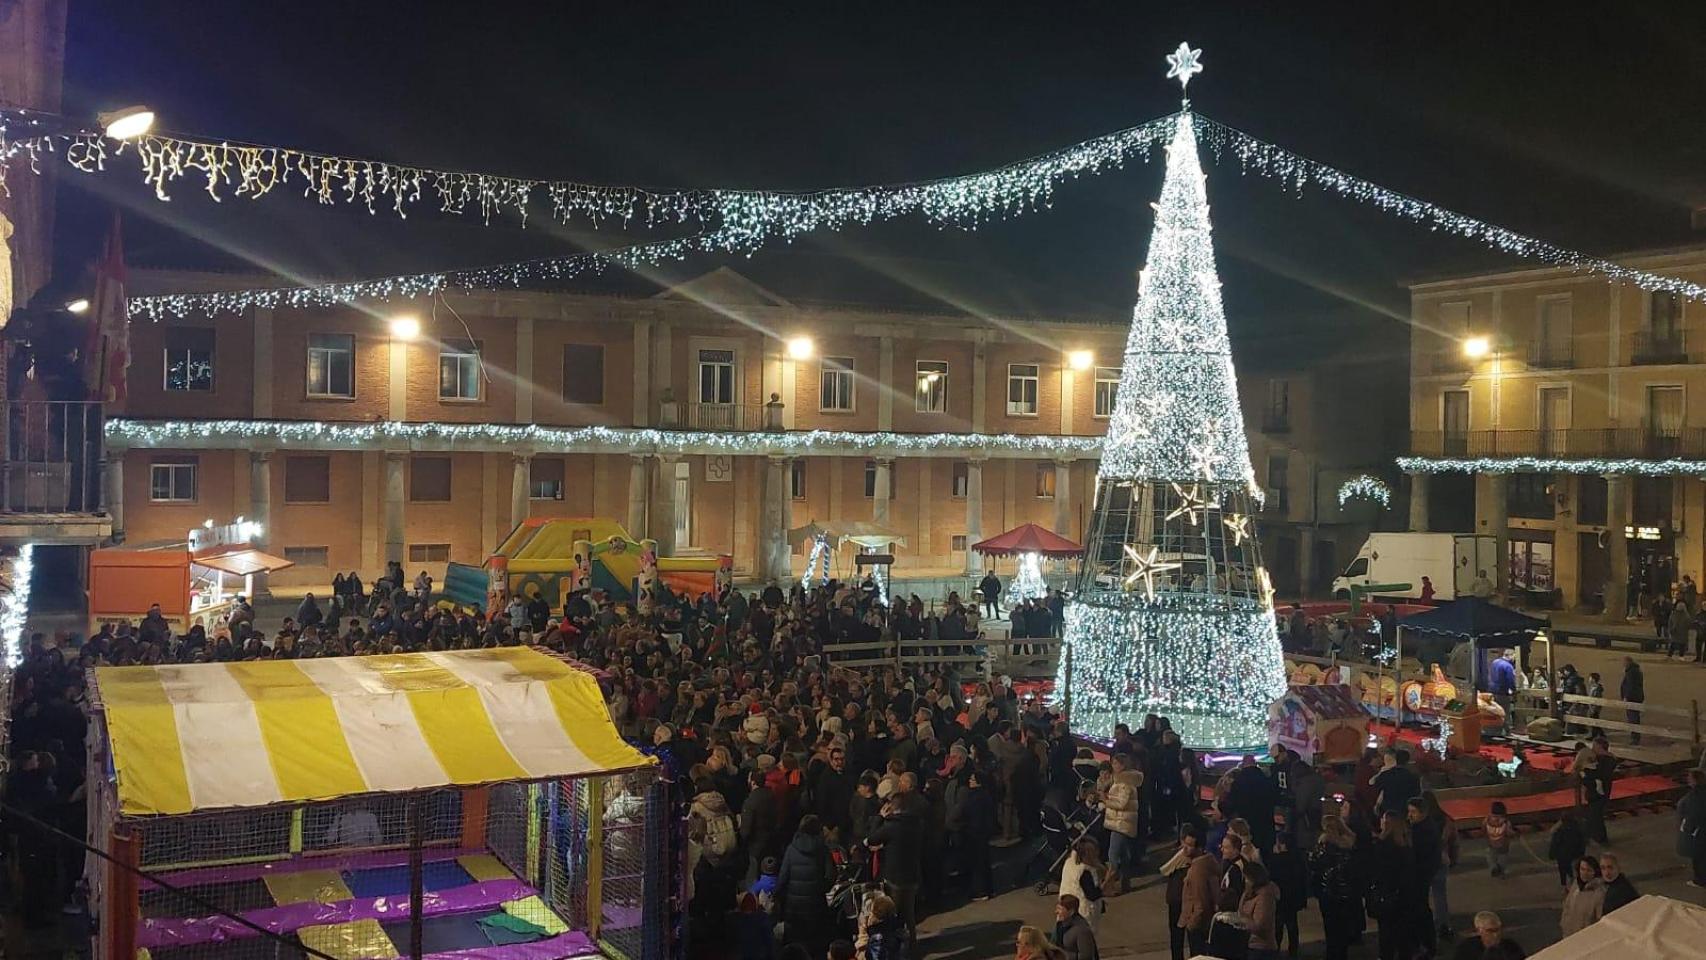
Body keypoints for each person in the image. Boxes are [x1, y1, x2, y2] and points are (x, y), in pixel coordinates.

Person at [777, 815, 832, 955]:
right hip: (815, 904)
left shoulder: (791, 848)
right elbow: (831, 875)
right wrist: (821, 888)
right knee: (814, 945)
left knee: (795, 946)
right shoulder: (822, 849)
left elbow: (783, 877)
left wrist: (780, 896)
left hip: (794, 907)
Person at [1309, 815, 1360, 960]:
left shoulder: (1326, 846)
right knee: (1342, 927)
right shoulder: (1350, 845)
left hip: (1329, 890)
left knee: (1331, 927)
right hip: (1345, 892)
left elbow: (1315, 864)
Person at [1370, 811, 1420, 960]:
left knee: (1386, 934)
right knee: (1403, 934)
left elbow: (1377, 872)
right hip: (1404, 896)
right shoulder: (1406, 847)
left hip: (1387, 896)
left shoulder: (1381, 846)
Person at [1177, 823, 1223, 959]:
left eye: (1190, 845)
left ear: (1200, 848)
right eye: (1185, 844)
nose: (1185, 848)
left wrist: (1191, 924)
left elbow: (1200, 902)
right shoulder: (1208, 861)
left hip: (1198, 926)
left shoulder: (1197, 870)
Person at [1100, 752, 1143, 894]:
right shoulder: (1121, 780)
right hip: (1122, 822)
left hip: (1120, 823)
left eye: (1116, 763)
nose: (1113, 766)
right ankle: (1125, 883)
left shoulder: (1125, 783)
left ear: (1123, 765)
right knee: (1124, 855)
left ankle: (1109, 885)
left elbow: (1121, 803)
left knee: (1113, 855)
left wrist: (1105, 800)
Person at [1267, 831, 1306, 959]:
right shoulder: (1297, 858)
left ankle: (1276, 949)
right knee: (1292, 924)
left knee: (1278, 925)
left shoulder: (1276, 860)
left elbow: (1271, 876)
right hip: (1293, 897)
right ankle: (1293, 950)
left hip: (1281, 898)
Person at [1057, 837, 1105, 935]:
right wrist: (1107, 881)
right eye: (1094, 852)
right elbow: (1092, 895)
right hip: (1083, 913)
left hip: (1065, 907)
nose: (1097, 855)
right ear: (1087, 854)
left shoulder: (1069, 862)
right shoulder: (1084, 872)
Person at [1238, 859, 1281, 960]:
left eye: (1246, 878)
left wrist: (1242, 922)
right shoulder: (1249, 893)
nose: (1244, 881)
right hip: (1249, 944)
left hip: (1261, 948)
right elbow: (1240, 910)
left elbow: (1260, 925)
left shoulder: (1265, 896)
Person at [1560, 855, 1606, 937]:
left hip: (1585, 937)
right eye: (1582, 869)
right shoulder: (1576, 885)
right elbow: (1567, 906)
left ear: (1595, 872)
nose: (1585, 873)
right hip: (1568, 935)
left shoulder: (1599, 893)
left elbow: (1599, 919)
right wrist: (1564, 924)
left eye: (1589, 870)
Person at [1452, 911, 1526, 960]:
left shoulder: (1511, 947)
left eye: (1498, 930)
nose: (1496, 934)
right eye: (1490, 931)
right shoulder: (1467, 950)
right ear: (1479, 930)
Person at [1583, 737, 1616, 845]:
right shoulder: (1601, 759)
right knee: (1592, 815)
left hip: (1599, 793)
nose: (1592, 748)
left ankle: (1601, 839)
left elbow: (1599, 775)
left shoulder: (1606, 761)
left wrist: (1585, 772)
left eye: (1595, 746)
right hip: (1596, 791)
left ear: (1600, 747)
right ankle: (1590, 836)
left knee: (1596, 816)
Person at [856, 894, 905, 960]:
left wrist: (864, 931)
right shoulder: (898, 928)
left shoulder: (877, 939)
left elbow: (870, 956)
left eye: (871, 912)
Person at [1680, 769, 1706, 888]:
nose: (1687, 780)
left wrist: (1687, 829)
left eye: (1689, 778)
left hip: (1699, 831)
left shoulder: (1695, 795)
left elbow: (1694, 813)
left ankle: (1700, 880)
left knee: (1699, 856)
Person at [1052, 895, 1099, 960]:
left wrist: (1062, 955)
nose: (1056, 912)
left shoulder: (1082, 929)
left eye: (1060, 909)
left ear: (1071, 912)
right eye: (1057, 908)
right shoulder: (1060, 924)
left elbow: (1086, 956)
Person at [1548, 813, 1587, 889]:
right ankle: (1576, 883)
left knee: (1563, 870)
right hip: (1576, 854)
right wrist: (1582, 853)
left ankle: (1565, 885)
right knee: (1576, 869)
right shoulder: (1578, 829)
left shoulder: (1559, 831)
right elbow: (1582, 842)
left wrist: (1552, 855)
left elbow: (1555, 844)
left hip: (1563, 855)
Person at [1483, 801, 1512, 878]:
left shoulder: (1487, 819)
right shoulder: (1505, 821)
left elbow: (1483, 828)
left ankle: (1493, 867)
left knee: (1490, 856)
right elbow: (1508, 832)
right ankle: (1501, 870)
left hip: (1491, 842)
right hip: (1503, 843)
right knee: (1503, 856)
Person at [1489, 649, 1518, 724]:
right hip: (1502, 692)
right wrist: (1514, 691)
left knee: (1494, 712)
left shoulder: (1494, 662)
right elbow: (1510, 680)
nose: (1514, 659)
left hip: (1492, 691)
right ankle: (1505, 730)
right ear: (1510, 655)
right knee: (1504, 712)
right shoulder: (1508, 666)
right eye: (1514, 656)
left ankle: (1495, 728)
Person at [1620, 657, 1645, 744]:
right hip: (1636, 697)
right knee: (1634, 717)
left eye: (1624, 662)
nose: (1622, 664)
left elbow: (1630, 686)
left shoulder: (1631, 672)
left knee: (1633, 718)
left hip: (1632, 698)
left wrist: (1626, 696)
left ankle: (1635, 738)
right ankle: (1635, 736)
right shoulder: (1635, 671)